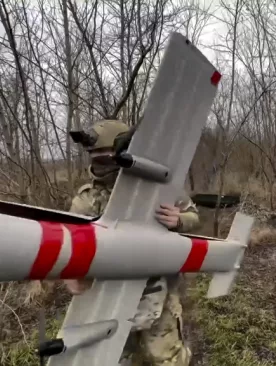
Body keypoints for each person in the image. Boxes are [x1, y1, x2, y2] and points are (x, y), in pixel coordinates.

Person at [65, 119, 198, 366]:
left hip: (156, 291)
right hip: (107, 296)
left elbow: (193, 216)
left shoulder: (157, 188)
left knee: (167, 358)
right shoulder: (85, 199)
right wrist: (69, 273)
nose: (99, 163)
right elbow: (71, 243)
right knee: (115, 358)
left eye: (106, 156)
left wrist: (180, 220)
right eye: (94, 156)